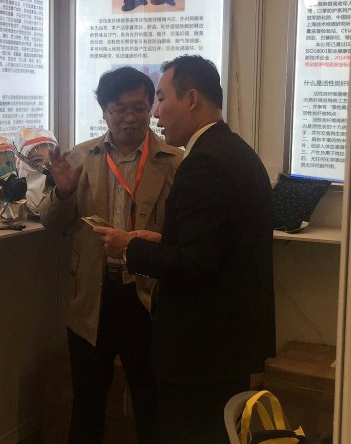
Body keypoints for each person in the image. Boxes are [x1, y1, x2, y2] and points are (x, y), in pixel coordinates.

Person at [94, 55, 276, 443]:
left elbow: (195, 264)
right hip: (229, 342)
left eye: (160, 98)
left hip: (202, 349)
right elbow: (214, 247)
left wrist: (129, 247)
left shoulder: (204, 163)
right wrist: (164, 242)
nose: (155, 112)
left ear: (191, 98)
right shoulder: (235, 151)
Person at [39, 67, 182, 444]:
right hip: (93, 296)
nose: (130, 117)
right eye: (119, 108)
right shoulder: (81, 157)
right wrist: (64, 193)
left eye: (139, 107)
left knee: (152, 401)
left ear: (151, 108)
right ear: (104, 111)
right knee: (87, 401)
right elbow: (52, 224)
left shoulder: (175, 161)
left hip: (148, 296)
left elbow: (184, 235)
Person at [15, 128, 58, 219]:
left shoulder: (65, 198)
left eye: (52, 159)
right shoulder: (12, 210)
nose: (48, 166)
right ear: (20, 164)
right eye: (37, 160)